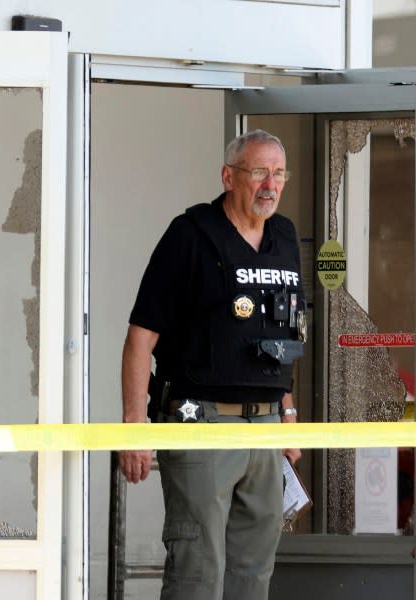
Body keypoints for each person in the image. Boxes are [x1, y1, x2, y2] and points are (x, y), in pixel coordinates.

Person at [119, 129, 306, 600]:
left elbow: (282, 335)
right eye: (259, 171)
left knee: (253, 572)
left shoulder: (284, 238)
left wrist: (286, 414)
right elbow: (141, 336)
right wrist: (133, 425)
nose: (271, 184)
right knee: (198, 570)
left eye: (279, 173)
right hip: (198, 423)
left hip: (263, 429)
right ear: (228, 176)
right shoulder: (191, 235)